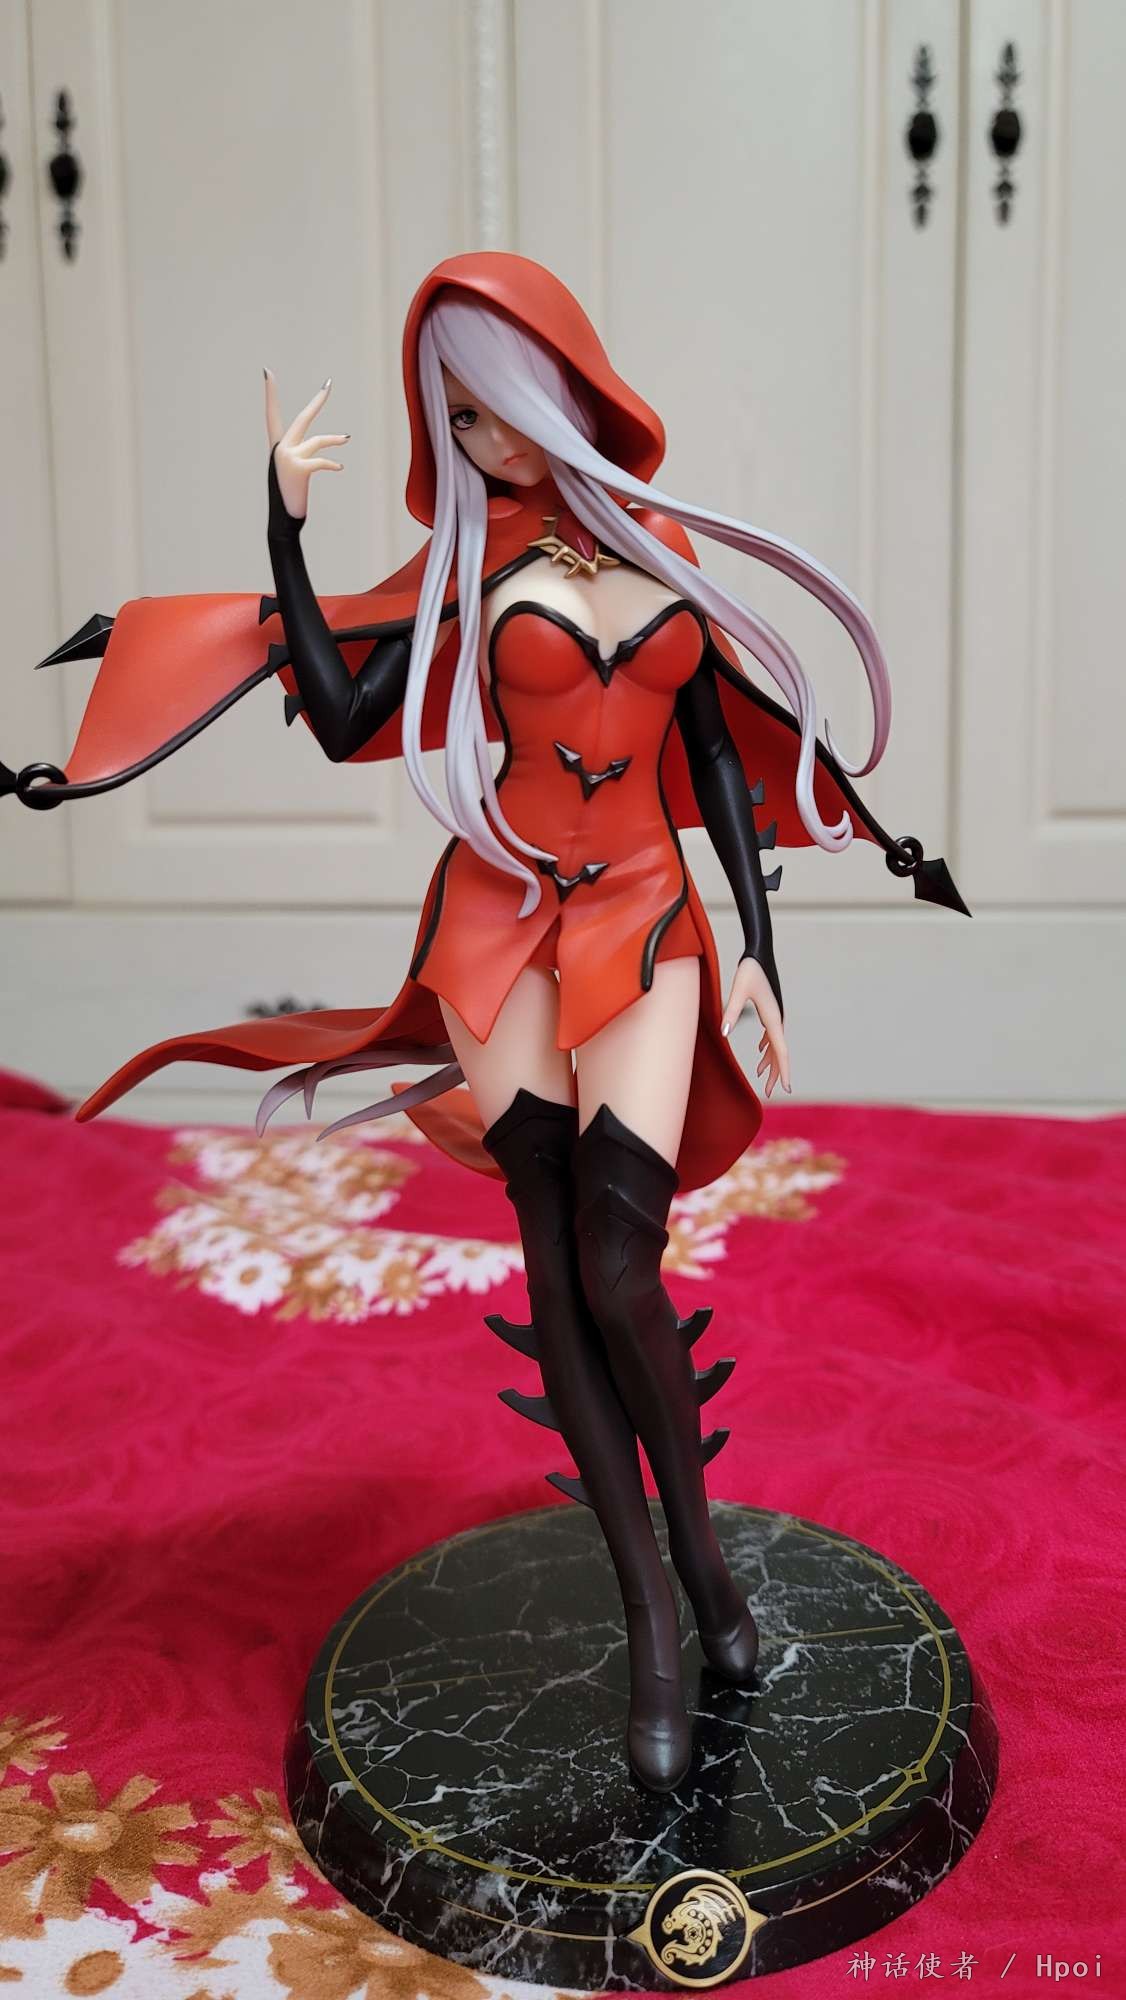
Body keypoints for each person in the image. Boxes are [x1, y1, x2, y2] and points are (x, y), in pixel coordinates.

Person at [2, 252, 967, 1791]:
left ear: (567, 388)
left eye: (503, 404)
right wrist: (282, 531)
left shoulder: (661, 554)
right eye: (456, 415)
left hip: (642, 919)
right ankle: (652, 1620)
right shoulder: (461, 572)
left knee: (619, 1261)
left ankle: (703, 1565)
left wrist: (762, 954)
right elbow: (338, 711)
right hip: (500, 926)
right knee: (551, 1251)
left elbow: (720, 759)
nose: (486, 439)